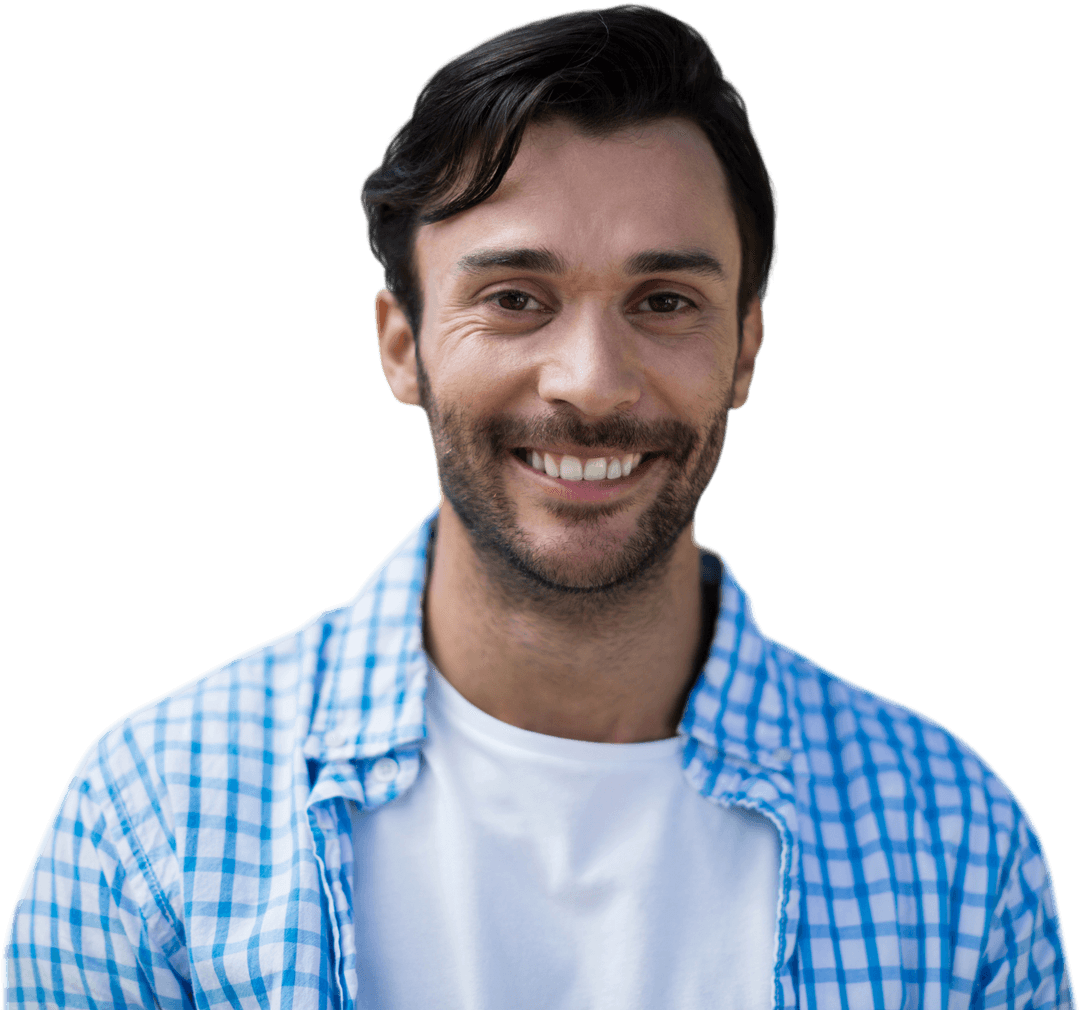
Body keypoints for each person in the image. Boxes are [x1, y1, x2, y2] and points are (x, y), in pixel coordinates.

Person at [4, 6, 1074, 1009]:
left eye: (664, 303)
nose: (593, 382)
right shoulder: (151, 820)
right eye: (515, 298)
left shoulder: (958, 842)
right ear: (399, 345)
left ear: (746, 348)